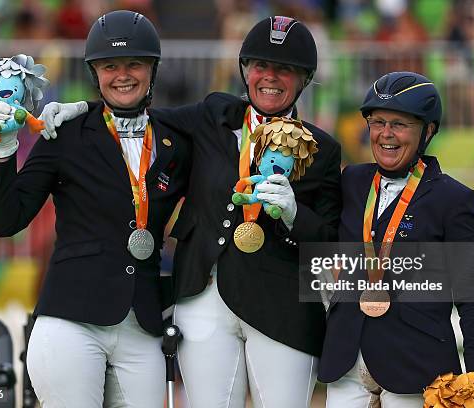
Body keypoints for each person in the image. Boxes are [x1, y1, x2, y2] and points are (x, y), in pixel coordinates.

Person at [42, 16, 342, 408]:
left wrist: (292, 215)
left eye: (285, 69)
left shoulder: (322, 149)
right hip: (203, 300)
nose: (270, 77)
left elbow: (332, 242)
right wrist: (81, 109)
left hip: (281, 307)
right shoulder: (214, 115)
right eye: (260, 66)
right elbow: (142, 113)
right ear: (245, 71)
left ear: (304, 79)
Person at [0, 10, 191, 407]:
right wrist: (5, 149)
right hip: (71, 319)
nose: (123, 75)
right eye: (110, 66)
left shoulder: (175, 140)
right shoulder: (65, 133)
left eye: (135, 64)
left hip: (143, 323)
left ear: (153, 70)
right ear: (94, 74)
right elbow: (6, 219)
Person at [317, 71, 474, 407]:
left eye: (400, 124)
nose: (386, 134)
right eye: (378, 122)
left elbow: (471, 292)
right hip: (347, 358)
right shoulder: (352, 182)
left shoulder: (454, 200)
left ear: (427, 131)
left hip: (416, 363)